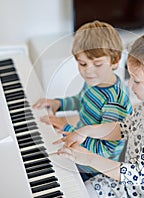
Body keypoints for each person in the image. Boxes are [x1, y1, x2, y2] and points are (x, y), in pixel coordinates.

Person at [53, 30, 144, 198]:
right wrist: (86, 131)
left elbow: (138, 173)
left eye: (136, 80)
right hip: (127, 186)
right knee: (78, 192)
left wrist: (88, 158)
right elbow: (124, 127)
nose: (130, 85)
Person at [32, 20, 133, 181]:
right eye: (82, 63)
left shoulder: (115, 102)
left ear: (115, 61)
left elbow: (107, 149)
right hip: (78, 140)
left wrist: (68, 130)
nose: (88, 71)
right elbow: (81, 100)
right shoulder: (95, 82)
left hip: (92, 167)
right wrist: (59, 104)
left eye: (97, 64)